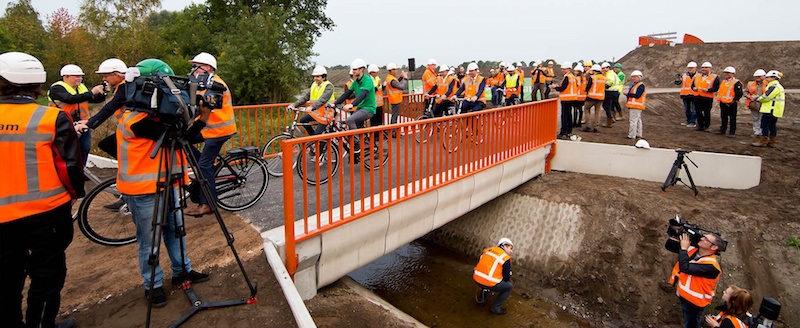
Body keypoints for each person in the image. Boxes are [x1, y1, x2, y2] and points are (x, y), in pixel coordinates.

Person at [118, 59, 212, 308]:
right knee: (149, 240)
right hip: (143, 190)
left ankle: (182, 271)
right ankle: (153, 284)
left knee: (176, 231)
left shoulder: (159, 118)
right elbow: (175, 135)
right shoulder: (134, 120)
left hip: (168, 184)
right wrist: (194, 116)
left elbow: (186, 138)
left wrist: (202, 118)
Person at [0, 51, 84, 328]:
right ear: (38, 85)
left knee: (7, 280)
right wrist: (74, 195)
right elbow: (70, 167)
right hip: (47, 212)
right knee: (47, 277)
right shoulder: (51, 118)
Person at [184, 52, 238, 217]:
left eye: (196, 66)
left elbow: (203, 106)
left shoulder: (215, 84)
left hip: (219, 131)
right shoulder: (203, 83)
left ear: (207, 68)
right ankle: (204, 167)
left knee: (204, 165)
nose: (193, 70)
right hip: (209, 129)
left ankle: (208, 203)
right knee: (183, 141)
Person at [47, 64, 106, 166]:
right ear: (66, 77)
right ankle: (65, 171)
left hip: (83, 123)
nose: (80, 79)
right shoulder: (57, 88)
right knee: (66, 149)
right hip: (63, 124)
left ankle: (81, 170)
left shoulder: (81, 87)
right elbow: (70, 99)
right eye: (77, 76)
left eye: (81, 76)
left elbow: (93, 99)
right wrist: (92, 92)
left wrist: (102, 93)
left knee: (84, 147)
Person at [668, 232, 722, 328]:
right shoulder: (694, 250)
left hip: (695, 303)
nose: (702, 239)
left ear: (714, 247)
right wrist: (677, 235)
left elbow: (685, 268)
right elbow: (669, 246)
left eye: (706, 239)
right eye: (703, 237)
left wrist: (684, 249)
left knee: (691, 325)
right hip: (685, 296)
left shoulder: (712, 266)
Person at [84, 58, 129, 158]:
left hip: (132, 128)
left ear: (116, 75)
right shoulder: (126, 86)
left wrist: (89, 124)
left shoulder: (124, 88)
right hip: (129, 127)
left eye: (106, 76)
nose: (103, 79)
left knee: (107, 144)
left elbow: (109, 108)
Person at [332, 58, 376, 150]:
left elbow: (363, 94)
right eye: (353, 69)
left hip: (368, 108)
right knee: (346, 124)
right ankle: (357, 154)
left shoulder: (367, 80)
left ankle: (357, 144)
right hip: (360, 108)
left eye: (355, 69)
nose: (353, 71)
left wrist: (353, 104)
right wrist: (336, 103)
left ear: (361, 69)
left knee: (350, 120)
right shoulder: (355, 82)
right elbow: (347, 93)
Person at [289, 65, 334, 136]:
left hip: (326, 114)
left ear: (324, 77)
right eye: (314, 76)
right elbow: (305, 96)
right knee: (303, 120)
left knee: (318, 134)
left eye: (317, 76)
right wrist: (295, 104)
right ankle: (313, 139)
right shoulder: (314, 85)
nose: (315, 78)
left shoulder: (328, 86)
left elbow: (322, 99)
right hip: (316, 113)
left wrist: (312, 107)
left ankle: (319, 144)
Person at [473, 238, 514, 315]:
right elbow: (506, 277)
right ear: (504, 245)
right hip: (488, 282)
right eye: (510, 248)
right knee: (509, 287)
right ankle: (495, 308)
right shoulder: (505, 257)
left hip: (476, 278)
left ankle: (482, 297)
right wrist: (509, 274)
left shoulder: (488, 250)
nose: (511, 251)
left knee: (488, 280)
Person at [750, 70, 785, 148]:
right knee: (772, 126)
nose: (766, 79)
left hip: (770, 110)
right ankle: (771, 141)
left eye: (768, 77)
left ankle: (763, 141)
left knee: (764, 125)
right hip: (775, 110)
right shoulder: (778, 86)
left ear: (773, 78)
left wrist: (756, 98)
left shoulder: (773, 87)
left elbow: (766, 97)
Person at [550, 61, 578, 139]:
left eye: (564, 69)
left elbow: (563, 88)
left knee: (565, 116)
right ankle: (568, 130)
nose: (562, 70)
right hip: (571, 98)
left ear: (568, 69)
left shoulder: (567, 77)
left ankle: (563, 132)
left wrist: (555, 87)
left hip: (566, 98)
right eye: (562, 69)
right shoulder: (572, 76)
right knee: (569, 115)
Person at [691, 62, 720, 132]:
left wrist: (708, 90)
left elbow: (716, 88)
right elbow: (692, 85)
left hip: (707, 97)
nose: (704, 69)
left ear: (710, 68)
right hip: (698, 96)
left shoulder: (714, 77)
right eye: (703, 67)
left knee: (707, 112)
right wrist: (694, 88)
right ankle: (700, 125)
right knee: (698, 112)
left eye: (706, 67)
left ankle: (707, 126)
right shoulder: (697, 76)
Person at [715, 67, 743, 138]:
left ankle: (732, 132)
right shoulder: (724, 82)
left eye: (728, 73)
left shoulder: (736, 82)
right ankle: (723, 130)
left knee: (732, 118)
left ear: (732, 74)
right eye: (726, 73)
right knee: (723, 117)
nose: (726, 74)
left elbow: (739, 93)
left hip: (731, 103)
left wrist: (734, 100)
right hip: (723, 102)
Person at [743, 69, 767, 137]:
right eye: (756, 76)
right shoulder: (750, 83)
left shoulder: (768, 84)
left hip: (763, 104)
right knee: (755, 118)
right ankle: (756, 132)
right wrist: (749, 96)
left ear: (764, 76)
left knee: (762, 119)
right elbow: (745, 92)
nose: (757, 78)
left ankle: (762, 132)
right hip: (753, 104)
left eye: (759, 76)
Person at [583, 64, 606, 132]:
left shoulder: (592, 77)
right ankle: (596, 127)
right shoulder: (604, 78)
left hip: (592, 97)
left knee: (586, 109)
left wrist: (586, 90)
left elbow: (588, 87)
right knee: (597, 112)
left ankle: (588, 126)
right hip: (600, 97)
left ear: (594, 71)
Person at [675, 62, 698, 128]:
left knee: (694, 110)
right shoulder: (684, 76)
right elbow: (679, 83)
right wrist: (678, 81)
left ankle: (692, 122)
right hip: (685, 95)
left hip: (694, 95)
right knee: (687, 109)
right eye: (689, 68)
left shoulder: (698, 76)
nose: (690, 69)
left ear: (695, 68)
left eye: (692, 68)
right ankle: (688, 120)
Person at [625, 70, 646, 139]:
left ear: (639, 77)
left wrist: (628, 94)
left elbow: (637, 95)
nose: (633, 78)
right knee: (638, 120)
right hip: (637, 105)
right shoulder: (637, 85)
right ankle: (638, 134)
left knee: (633, 121)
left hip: (636, 105)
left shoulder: (640, 85)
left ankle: (631, 135)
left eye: (634, 77)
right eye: (632, 77)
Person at [367, 64, 384, 133]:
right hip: (372, 103)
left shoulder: (378, 78)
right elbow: (370, 91)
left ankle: (379, 135)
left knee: (379, 121)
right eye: (376, 71)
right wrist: (377, 87)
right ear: (371, 72)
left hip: (379, 103)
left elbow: (381, 89)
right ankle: (374, 136)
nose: (377, 73)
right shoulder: (368, 80)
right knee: (373, 121)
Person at [573, 64, 586, 128]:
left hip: (577, 96)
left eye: (576, 71)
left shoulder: (576, 78)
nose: (574, 72)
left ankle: (574, 123)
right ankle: (579, 123)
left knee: (575, 110)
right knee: (581, 110)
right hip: (583, 97)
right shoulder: (584, 79)